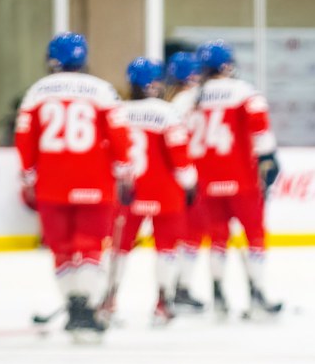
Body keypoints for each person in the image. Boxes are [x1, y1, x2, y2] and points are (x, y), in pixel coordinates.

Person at [14, 32, 131, 341]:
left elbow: (24, 138)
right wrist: (125, 172)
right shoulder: (102, 90)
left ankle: (73, 306)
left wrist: (28, 178)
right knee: (90, 247)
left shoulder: (36, 92)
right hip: (95, 182)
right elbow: (119, 137)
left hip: (51, 184)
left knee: (62, 250)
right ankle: (86, 308)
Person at [185, 40, 282, 318]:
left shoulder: (191, 99)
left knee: (217, 239)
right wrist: (268, 159)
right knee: (254, 237)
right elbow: (260, 131)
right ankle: (257, 295)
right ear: (227, 65)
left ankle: (218, 296)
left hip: (205, 181)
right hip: (242, 178)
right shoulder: (244, 92)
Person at [106, 57, 197, 326]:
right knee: (167, 249)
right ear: (156, 84)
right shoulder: (168, 113)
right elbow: (179, 156)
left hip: (128, 191)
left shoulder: (118, 111)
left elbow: (109, 153)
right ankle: (162, 305)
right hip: (164, 191)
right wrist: (190, 183)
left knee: (119, 249)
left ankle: (108, 302)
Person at [166, 52, 208, 314]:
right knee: (189, 236)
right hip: (190, 176)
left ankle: (174, 287)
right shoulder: (191, 99)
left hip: (179, 175)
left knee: (181, 236)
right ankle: (178, 287)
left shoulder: (174, 101)